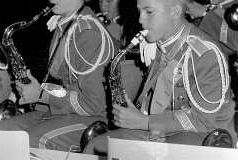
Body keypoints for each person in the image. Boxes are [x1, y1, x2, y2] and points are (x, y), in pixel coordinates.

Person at [84, 0, 238, 155]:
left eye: (149, 12)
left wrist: (144, 122)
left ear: (175, 12)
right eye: (140, 11)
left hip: (202, 134)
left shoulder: (206, 53)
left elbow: (203, 121)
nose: (140, 19)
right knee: (96, 147)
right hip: (159, 124)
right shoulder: (157, 42)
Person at [0, 0, 117, 152]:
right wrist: (37, 92)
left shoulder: (89, 32)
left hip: (92, 119)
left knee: (30, 141)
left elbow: (92, 104)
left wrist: (41, 95)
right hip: (64, 111)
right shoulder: (64, 23)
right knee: (3, 133)